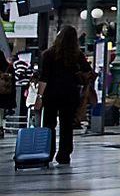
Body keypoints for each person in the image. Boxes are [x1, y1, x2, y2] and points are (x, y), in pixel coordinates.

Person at [35, 25, 92, 165]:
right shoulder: (77, 55)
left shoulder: (48, 54)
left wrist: (39, 97)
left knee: (49, 124)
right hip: (70, 94)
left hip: (51, 94)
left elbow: (44, 78)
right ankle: (64, 154)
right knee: (67, 125)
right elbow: (89, 72)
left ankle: (48, 153)